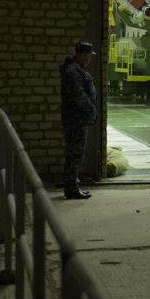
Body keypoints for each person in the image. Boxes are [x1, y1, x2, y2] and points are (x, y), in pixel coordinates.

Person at [59, 41, 97, 200]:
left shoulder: (77, 69)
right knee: (75, 154)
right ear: (82, 55)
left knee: (75, 153)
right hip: (76, 118)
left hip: (76, 117)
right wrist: (91, 110)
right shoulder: (74, 72)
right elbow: (79, 96)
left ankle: (73, 185)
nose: (90, 59)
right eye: (88, 55)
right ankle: (71, 188)